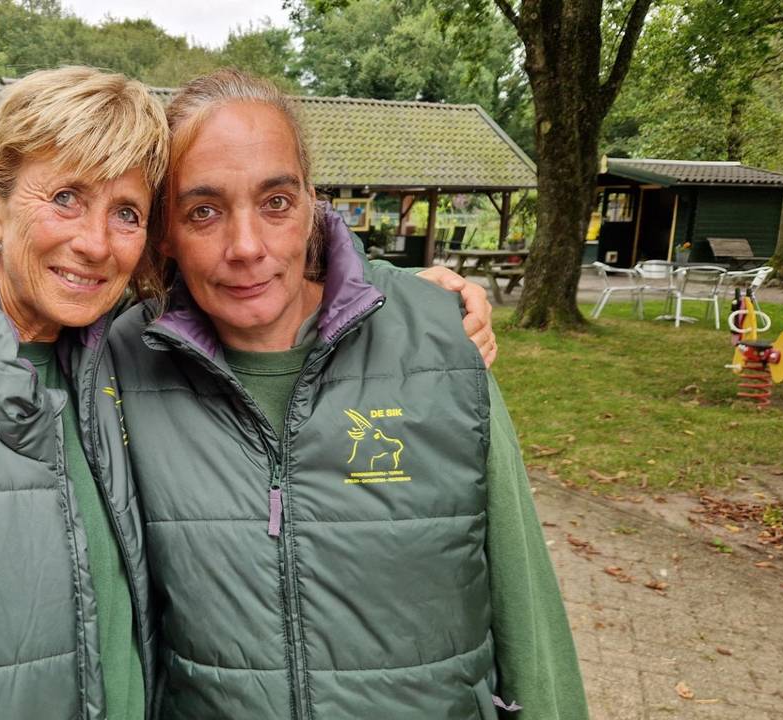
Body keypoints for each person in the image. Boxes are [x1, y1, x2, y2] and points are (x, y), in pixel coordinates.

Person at [0, 66, 497, 720]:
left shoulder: (109, 359)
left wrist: (410, 303)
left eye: (125, 212)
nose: (95, 241)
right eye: (65, 198)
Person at [107, 69, 586, 718]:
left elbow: (530, 617)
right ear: (165, 233)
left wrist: (408, 297)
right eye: (204, 211)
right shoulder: (120, 368)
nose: (246, 247)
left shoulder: (439, 349)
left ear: (312, 205)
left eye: (275, 202)